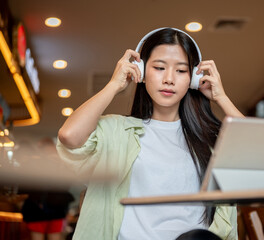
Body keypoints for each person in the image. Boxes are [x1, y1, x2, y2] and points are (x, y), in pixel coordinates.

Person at [56, 27, 245, 240]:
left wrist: (221, 97)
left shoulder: (211, 139)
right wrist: (114, 85)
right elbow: (69, 136)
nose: (169, 79)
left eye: (181, 71)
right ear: (142, 72)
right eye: (159, 67)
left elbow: (261, 156)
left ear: (193, 78)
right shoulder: (118, 130)